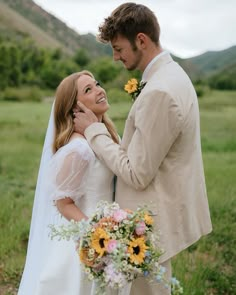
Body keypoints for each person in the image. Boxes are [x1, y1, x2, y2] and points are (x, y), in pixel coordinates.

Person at [73, 3, 213, 295]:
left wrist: (93, 131)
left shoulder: (161, 90)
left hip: (150, 225)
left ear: (141, 40)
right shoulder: (171, 76)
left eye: (118, 48)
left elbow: (137, 174)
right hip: (151, 218)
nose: (115, 57)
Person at [17, 70, 123, 295]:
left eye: (97, 84)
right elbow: (63, 203)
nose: (99, 90)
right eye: (88, 90)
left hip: (107, 235)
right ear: (75, 109)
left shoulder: (102, 136)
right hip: (84, 242)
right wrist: (97, 235)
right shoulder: (79, 149)